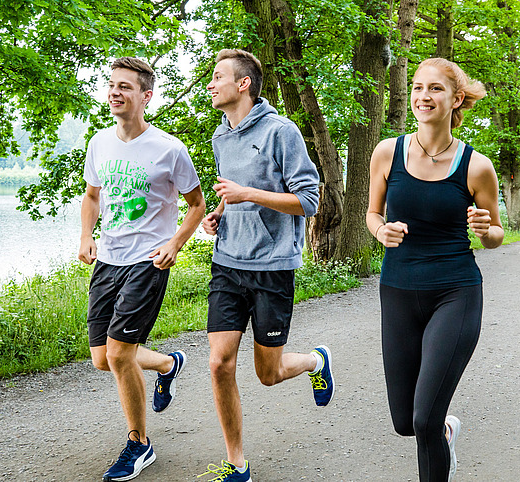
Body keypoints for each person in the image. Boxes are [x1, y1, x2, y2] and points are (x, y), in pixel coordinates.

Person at [197, 49, 333, 482]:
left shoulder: (281, 131)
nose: (210, 84)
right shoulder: (220, 137)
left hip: (272, 266)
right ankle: (238, 464)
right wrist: (220, 212)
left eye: (218, 77)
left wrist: (248, 195)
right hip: (227, 263)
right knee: (219, 363)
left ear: (243, 84)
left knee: (268, 374)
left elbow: (308, 202)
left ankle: (315, 362)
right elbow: (230, 191)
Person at [366, 58, 504, 482]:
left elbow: (496, 232)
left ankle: (436, 430)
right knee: (405, 423)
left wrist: (485, 229)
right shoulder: (387, 151)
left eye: (436, 89)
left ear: (456, 98)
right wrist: (380, 232)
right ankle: (446, 431)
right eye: (418, 88)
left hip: (455, 292)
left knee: (423, 419)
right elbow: (371, 214)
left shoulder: (476, 166)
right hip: (398, 291)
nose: (424, 97)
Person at [78, 56, 206, 482]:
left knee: (118, 354)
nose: (115, 92)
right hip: (108, 261)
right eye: (112, 85)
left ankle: (139, 444)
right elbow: (92, 196)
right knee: (103, 359)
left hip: (148, 261)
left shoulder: (170, 148)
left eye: (126, 87)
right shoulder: (99, 143)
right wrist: (86, 235)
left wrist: (174, 244)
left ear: (145, 96)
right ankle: (168, 365)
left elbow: (196, 205)